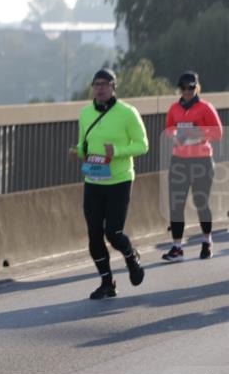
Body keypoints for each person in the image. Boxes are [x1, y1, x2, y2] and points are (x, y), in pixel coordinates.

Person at [71, 69, 149, 299]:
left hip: (119, 180)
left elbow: (143, 145)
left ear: (113, 86)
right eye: (96, 84)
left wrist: (117, 151)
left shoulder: (127, 112)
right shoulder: (85, 113)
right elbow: (83, 143)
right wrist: (78, 151)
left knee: (113, 233)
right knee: (94, 237)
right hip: (93, 179)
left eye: (105, 84)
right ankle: (107, 283)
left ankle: (131, 258)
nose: (100, 88)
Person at [162, 71, 224, 262]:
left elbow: (218, 133)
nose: (187, 91)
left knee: (201, 203)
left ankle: (207, 241)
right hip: (180, 160)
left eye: (191, 87)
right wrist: (175, 134)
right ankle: (177, 247)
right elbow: (168, 129)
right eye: (184, 88)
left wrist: (195, 132)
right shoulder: (174, 108)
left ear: (197, 87)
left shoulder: (206, 107)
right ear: (179, 89)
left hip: (201, 160)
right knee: (176, 204)